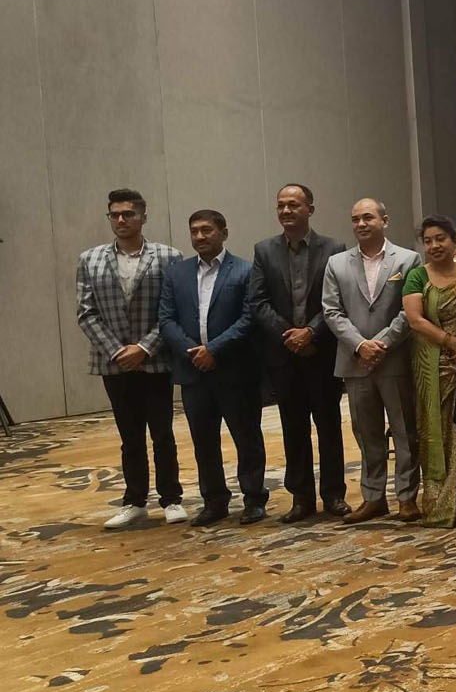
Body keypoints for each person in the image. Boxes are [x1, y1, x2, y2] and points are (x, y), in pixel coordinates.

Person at [78, 189, 187, 529]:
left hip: (155, 359)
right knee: (130, 436)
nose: (121, 220)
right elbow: (86, 313)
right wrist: (117, 351)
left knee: (162, 433)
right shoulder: (90, 259)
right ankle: (135, 501)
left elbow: (174, 310)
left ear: (143, 217)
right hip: (113, 362)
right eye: (115, 214)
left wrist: (144, 347)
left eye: (128, 214)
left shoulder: (169, 257)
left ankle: (171, 499)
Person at [156, 210, 268, 527]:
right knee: (203, 441)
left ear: (224, 233)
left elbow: (249, 318)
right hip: (193, 371)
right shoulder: (176, 273)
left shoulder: (244, 270)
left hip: (235, 370)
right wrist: (193, 352)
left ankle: (254, 499)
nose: (200, 236)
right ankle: (214, 501)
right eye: (194, 231)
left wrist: (214, 349)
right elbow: (166, 319)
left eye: (206, 230)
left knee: (246, 437)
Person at [248, 184, 350, 524]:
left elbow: (338, 299)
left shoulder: (333, 249)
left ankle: (334, 494)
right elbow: (258, 302)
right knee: (293, 428)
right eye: (281, 205)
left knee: (329, 425)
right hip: (283, 356)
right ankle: (301, 498)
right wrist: (289, 335)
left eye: (294, 204)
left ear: (310, 209)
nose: (286, 211)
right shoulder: (264, 250)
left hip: (321, 352)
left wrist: (310, 332)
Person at [322, 198, 422, 525]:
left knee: (405, 431)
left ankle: (407, 497)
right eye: (356, 219)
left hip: (395, 360)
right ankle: (373, 497)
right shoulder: (336, 263)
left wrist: (382, 344)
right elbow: (331, 312)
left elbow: (409, 310)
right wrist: (361, 345)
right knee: (366, 434)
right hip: (355, 362)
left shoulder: (408, 259)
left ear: (384, 220)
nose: (361, 224)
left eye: (368, 217)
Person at [401, 216, 456, 528]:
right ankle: (439, 503)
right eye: (428, 240)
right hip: (430, 365)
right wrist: (451, 342)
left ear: (454, 241)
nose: (434, 245)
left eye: (440, 238)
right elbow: (415, 320)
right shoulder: (417, 276)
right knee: (433, 429)